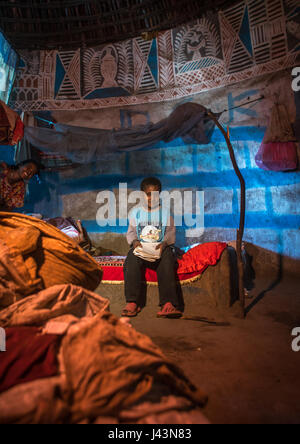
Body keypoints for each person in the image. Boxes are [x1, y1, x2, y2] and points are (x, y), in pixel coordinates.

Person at [122, 177, 183, 319]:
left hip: (160, 248)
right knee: (131, 258)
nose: (152, 198)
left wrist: (165, 243)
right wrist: (135, 242)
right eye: (148, 194)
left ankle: (168, 303)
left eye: (155, 194)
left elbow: (170, 232)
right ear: (142, 194)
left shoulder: (165, 213)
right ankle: (132, 302)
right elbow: (131, 232)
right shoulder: (135, 212)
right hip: (142, 248)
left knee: (168, 258)